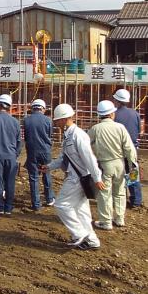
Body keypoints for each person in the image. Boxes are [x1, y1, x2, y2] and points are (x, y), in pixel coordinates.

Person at [41, 104, 102, 250]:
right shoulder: (69, 135)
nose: (55, 123)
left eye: (57, 120)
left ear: (65, 118)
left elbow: (89, 158)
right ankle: (92, 241)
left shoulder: (78, 135)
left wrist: (97, 177)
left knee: (61, 204)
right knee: (81, 211)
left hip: (78, 178)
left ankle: (78, 233)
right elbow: (64, 158)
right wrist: (49, 166)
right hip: (79, 177)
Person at [88, 100, 137, 230]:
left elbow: (86, 144)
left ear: (100, 115)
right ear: (111, 114)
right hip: (119, 164)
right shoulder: (120, 127)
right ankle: (120, 219)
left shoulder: (95, 129)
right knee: (120, 192)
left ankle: (106, 221)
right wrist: (133, 165)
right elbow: (129, 149)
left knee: (104, 193)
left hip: (104, 165)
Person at [112, 88, 143, 207]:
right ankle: (136, 200)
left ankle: (121, 198)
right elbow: (139, 130)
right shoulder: (135, 113)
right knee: (132, 174)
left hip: (119, 150)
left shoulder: (114, 115)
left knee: (119, 175)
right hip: (133, 149)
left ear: (117, 101)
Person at [23, 99, 55, 211]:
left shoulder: (26, 120)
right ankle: (49, 199)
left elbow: (26, 137)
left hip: (32, 151)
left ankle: (36, 204)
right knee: (46, 174)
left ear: (33, 108)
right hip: (45, 151)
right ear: (43, 108)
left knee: (33, 178)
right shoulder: (48, 120)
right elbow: (50, 135)